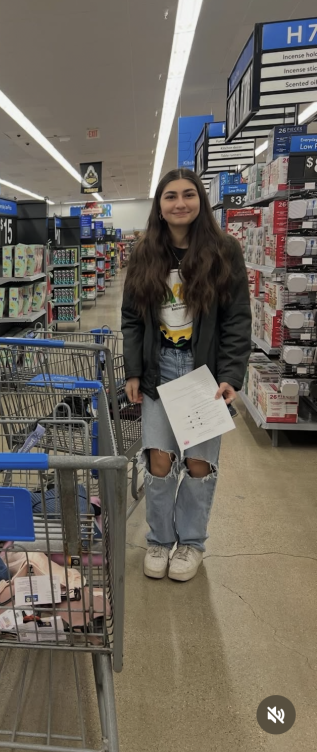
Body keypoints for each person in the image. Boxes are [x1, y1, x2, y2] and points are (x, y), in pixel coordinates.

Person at [121, 168, 251, 583]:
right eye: (171, 196)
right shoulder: (144, 252)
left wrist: (231, 374)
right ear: (159, 206)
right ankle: (159, 540)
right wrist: (133, 370)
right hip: (158, 369)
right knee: (158, 461)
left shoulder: (224, 250)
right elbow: (131, 318)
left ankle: (192, 543)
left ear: (201, 201)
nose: (180, 203)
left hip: (203, 373)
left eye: (188, 194)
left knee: (199, 464)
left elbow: (237, 318)